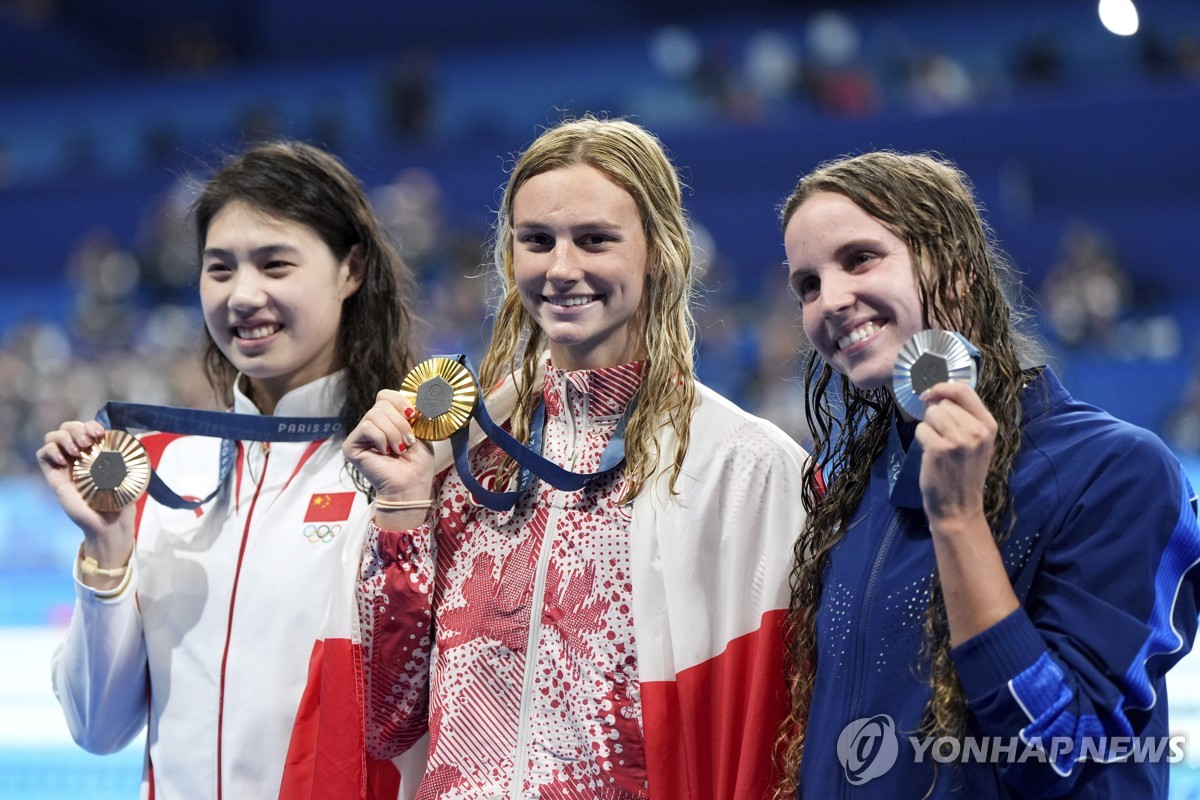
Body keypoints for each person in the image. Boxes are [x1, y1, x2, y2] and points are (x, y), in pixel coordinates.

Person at [336, 116, 808, 799]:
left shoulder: (737, 467)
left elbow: (770, 730)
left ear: (660, 253)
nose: (562, 269)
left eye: (594, 240)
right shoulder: (460, 454)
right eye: (537, 241)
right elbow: (388, 723)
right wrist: (404, 506)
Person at [772, 150, 1200, 797]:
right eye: (807, 283)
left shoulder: (1119, 471)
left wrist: (958, 521)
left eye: (859, 258)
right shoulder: (855, 490)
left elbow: (1060, 752)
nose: (830, 299)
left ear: (957, 272)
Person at [37, 140, 420, 799]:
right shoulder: (159, 471)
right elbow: (96, 728)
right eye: (220, 269)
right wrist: (107, 551)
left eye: (275, 264)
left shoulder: (406, 472)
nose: (244, 295)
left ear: (350, 268)